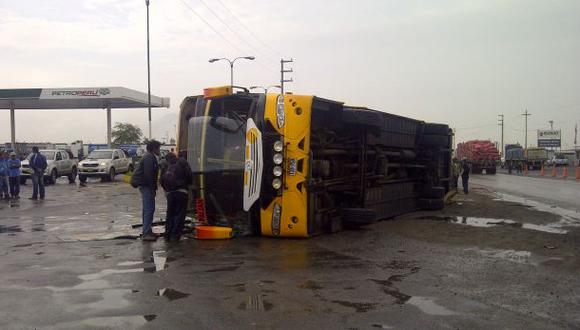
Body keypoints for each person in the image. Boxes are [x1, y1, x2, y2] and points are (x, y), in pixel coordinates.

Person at [131, 140, 161, 241]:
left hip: (146, 186)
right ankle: (146, 233)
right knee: (149, 209)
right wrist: (153, 189)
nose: (159, 150)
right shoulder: (149, 157)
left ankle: (147, 231)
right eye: (158, 148)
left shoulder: (149, 156)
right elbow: (149, 175)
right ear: (154, 148)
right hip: (146, 186)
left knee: (147, 209)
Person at [160, 153, 193, 242]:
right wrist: (188, 185)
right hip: (182, 192)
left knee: (170, 214)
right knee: (180, 214)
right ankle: (175, 235)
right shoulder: (182, 162)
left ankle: (167, 234)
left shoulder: (165, 165)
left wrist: (167, 190)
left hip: (170, 193)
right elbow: (189, 176)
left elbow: (161, 180)